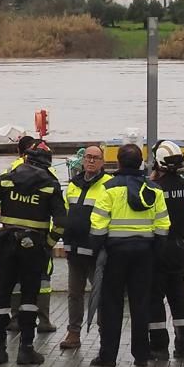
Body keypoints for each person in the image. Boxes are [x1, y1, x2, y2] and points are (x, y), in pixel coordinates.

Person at [0, 143, 66, 365]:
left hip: (7, 244)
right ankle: (26, 349)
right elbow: (62, 222)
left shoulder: (8, 179)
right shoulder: (50, 185)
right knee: (29, 298)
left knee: (2, 295)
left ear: (26, 159)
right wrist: (48, 244)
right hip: (34, 247)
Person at [88, 143, 170, 367]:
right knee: (140, 304)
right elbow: (163, 225)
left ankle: (108, 356)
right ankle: (141, 355)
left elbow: (98, 224)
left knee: (111, 304)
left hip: (115, 253)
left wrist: (96, 251)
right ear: (141, 162)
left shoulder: (110, 189)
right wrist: (156, 251)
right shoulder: (153, 189)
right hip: (144, 253)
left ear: (119, 162)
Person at [58, 144, 110, 351]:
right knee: (74, 294)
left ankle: (105, 332)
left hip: (96, 251)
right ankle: (73, 333)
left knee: (101, 294)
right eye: (88, 157)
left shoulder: (109, 184)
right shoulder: (73, 184)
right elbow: (65, 213)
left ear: (102, 162)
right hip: (74, 249)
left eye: (95, 158)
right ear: (82, 160)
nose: (90, 161)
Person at [148, 140, 184, 361]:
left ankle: (158, 347)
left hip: (158, 249)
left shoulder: (155, 189)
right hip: (179, 249)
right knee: (179, 297)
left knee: (155, 299)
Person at [7, 134, 58, 334]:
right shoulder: (49, 173)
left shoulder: (11, 171)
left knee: (15, 278)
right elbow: (58, 210)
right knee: (43, 279)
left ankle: (15, 320)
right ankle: (43, 320)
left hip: (12, 233)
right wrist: (51, 241)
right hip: (39, 234)